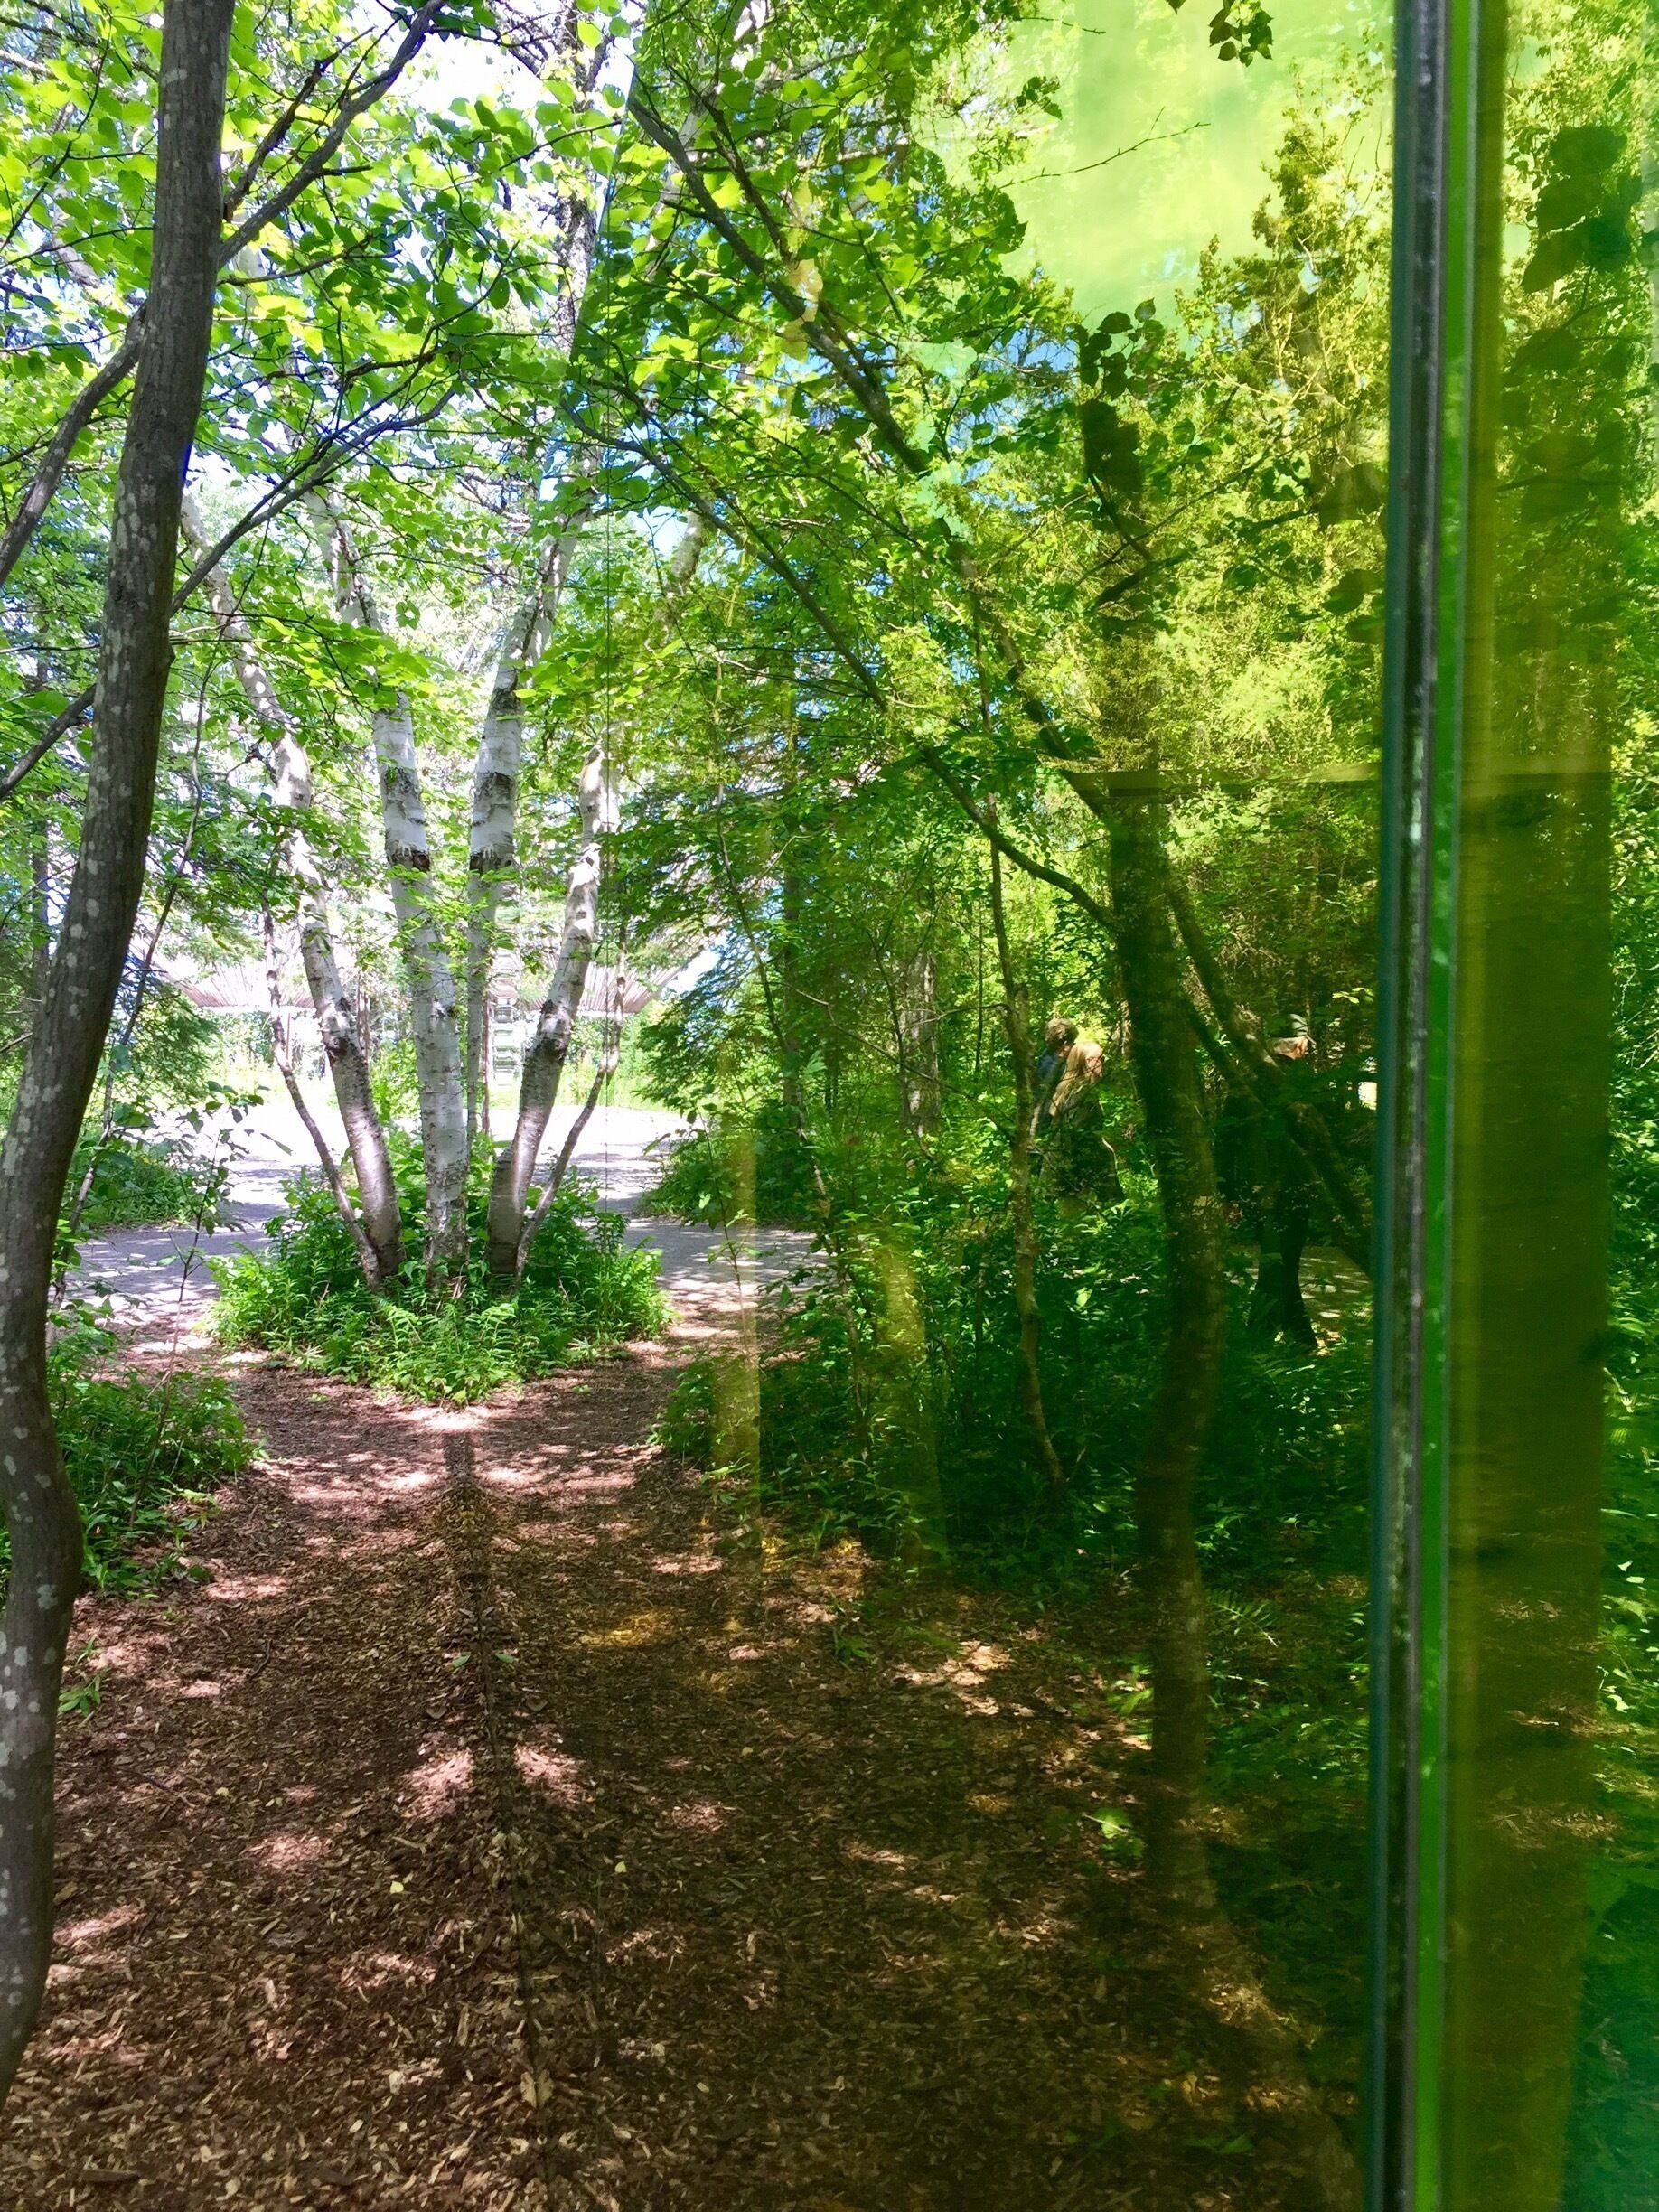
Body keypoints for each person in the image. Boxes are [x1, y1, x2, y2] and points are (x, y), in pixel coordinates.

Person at [1042, 1037, 1124, 1212]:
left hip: (1066, 1173)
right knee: (1076, 1228)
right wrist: (1086, 1181)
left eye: (1102, 1058)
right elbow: (1079, 1139)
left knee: (1074, 1225)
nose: (1102, 1062)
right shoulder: (1082, 1094)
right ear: (1087, 1062)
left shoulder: (1070, 1088)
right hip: (1074, 1176)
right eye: (1099, 1058)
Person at [1030, 1016, 1078, 1136]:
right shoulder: (1055, 1065)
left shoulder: (1045, 1056)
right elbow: (1044, 1096)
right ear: (1066, 1044)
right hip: (1046, 1118)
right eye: (1073, 1042)